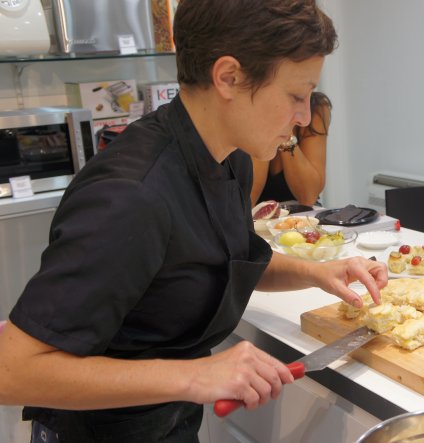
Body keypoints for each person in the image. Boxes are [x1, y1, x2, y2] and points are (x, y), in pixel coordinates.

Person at [0, 1, 387, 441]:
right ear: (228, 77)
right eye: (296, 96)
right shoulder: (131, 196)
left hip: (169, 424)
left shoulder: (230, 158)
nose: (303, 118)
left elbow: (219, 260)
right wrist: (196, 376)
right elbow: (11, 371)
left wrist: (317, 273)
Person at [250, 91, 331, 207]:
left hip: (302, 219)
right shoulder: (247, 109)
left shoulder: (315, 108)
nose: (305, 119)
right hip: (253, 221)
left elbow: (308, 197)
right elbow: (246, 201)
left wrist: (284, 131)